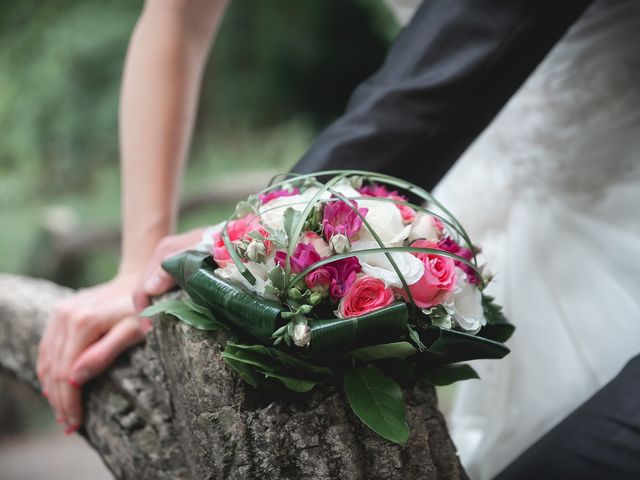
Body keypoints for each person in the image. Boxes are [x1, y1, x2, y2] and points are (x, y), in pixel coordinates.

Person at [37, 0, 640, 477]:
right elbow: (178, 14)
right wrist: (140, 269)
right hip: (475, 176)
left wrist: (278, 226)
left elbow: (483, 28)